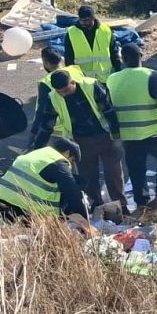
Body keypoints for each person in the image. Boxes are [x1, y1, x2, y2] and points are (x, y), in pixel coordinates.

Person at [33, 70, 124, 212]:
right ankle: (97, 207)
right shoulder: (53, 97)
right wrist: (37, 148)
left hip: (105, 136)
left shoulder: (91, 85)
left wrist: (116, 135)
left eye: (66, 90)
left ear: (73, 82)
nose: (63, 94)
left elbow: (108, 110)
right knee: (88, 177)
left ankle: (121, 206)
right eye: (60, 92)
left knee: (113, 173)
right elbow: (46, 125)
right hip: (81, 141)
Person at [106, 44, 157, 210]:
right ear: (141, 56)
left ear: (123, 59)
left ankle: (141, 203)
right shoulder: (150, 75)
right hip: (156, 132)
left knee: (136, 169)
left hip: (129, 136)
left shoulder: (112, 79)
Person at [0, 138, 93, 234]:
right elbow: (72, 194)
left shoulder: (38, 154)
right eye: (72, 160)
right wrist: (85, 221)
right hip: (24, 210)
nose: (71, 163)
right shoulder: (58, 162)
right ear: (67, 153)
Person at [30, 45, 84, 145]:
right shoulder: (75, 70)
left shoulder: (46, 82)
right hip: (84, 122)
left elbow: (42, 110)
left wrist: (34, 132)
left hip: (61, 130)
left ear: (45, 62)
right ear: (60, 59)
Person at [64, 3, 120, 80]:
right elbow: (68, 58)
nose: (83, 22)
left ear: (93, 18)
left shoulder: (105, 30)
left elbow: (114, 52)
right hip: (84, 80)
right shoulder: (71, 33)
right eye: (81, 19)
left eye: (86, 20)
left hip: (105, 78)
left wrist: (118, 71)